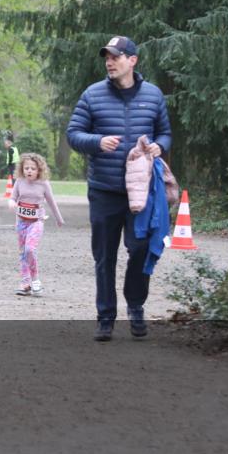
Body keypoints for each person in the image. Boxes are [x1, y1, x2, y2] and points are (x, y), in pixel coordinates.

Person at [66, 36, 171, 342]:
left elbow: (165, 132)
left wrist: (158, 147)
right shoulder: (92, 95)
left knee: (139, 249)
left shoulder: (153, 96)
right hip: (104, 189)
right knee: (104, 256)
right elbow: (73, 134)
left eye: (115, 57)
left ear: (132, 60)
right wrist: (97, 142)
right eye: (107, 58)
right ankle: (105, 317)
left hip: (141, 192)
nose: (109, 62)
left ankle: (136, 306)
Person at [8, 152, 64, 297]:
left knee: (30, 250)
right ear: (22, 169)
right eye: (26, 168)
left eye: (33, 168)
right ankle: (25, 283)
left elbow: (51, 202)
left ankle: (35, 280)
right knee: (23, 254)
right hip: (21, 222)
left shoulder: (44, 184)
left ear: (39, 170)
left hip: (36, 222)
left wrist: (59, 218)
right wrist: (12, 203)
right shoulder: (19, 181)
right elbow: (12, 198)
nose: (29, 171)